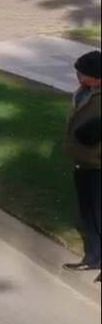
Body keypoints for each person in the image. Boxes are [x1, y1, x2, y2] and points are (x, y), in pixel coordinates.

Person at [63, 50, 101, 282]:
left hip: (97, 164)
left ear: (96, 77)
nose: (77, 75)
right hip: (82, 161)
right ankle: (94, 258)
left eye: (82, 72)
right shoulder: (83, 92)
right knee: (88, 214)